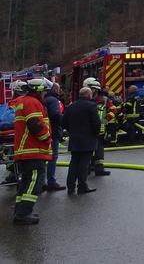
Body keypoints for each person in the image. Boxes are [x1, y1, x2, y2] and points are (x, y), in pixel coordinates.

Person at [12, 78, 52, 224]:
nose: (44, 94)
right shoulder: (32, 102)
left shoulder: (25, 101)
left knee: (26, 182)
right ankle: (23, 213)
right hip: (32, 149)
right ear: (38, 91)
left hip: (27, 149)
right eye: (43, 91)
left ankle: (20, 211)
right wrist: (47, 138)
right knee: (35, 181)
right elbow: (35, 125)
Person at [61, 86, 100, 195]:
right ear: (89, 95)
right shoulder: (91, 106)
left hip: (74, 139)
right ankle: (82, 186)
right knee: (84, 163)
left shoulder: (71, 106)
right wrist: (95, 135)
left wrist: (71, 131)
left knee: (74, 162)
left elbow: (63, 122)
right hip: (88, 139)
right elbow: (96, 123)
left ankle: (70, 187)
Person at [87, 78, 115, 176]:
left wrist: (106, 119)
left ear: (96, 89)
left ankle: (99, 169)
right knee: (88, 150)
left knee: (99, 150)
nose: (90, 90)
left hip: (100, 131)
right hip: (88, 130)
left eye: (92, 88)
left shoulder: (104, 100)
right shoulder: (86, 100)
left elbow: (113, 110)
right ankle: (87, 168)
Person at [43, 80, 66, 191]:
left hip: (44, 132)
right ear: (55, 89)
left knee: (43, 157)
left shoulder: (43, 99)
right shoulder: (53, 101)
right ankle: (51, 181)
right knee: (53, 157)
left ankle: (41, 182)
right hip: (53, 133)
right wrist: (66, 120)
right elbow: (56, 116)